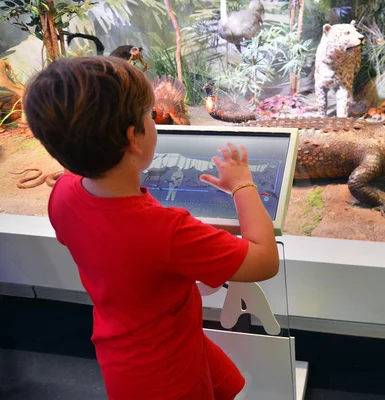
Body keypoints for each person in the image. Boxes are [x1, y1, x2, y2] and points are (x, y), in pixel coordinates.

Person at [22, 56, 280, 400]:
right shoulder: (168, 230)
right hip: (166, 375)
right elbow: (264, 260)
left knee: (226, 385)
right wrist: (243, 185)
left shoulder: (64, 193)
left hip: (127, 345)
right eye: (150, 114)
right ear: (134, 138)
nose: (154, 119)